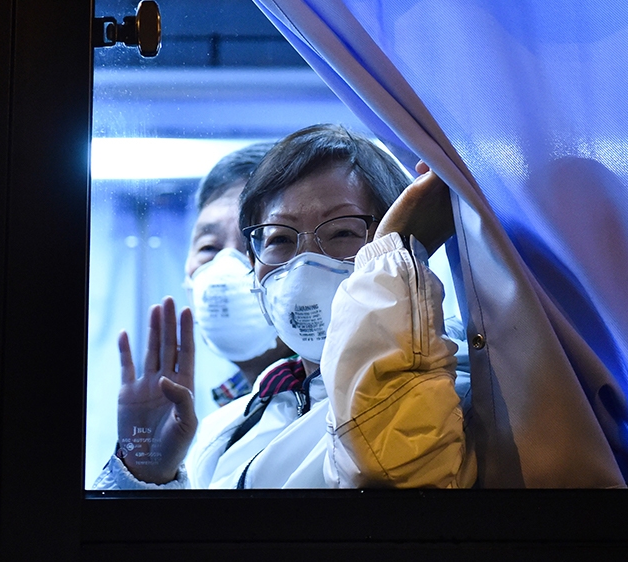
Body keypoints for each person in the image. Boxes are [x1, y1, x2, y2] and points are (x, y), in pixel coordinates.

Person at [96, 124, 476, 489]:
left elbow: (394, 471)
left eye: (342, 232)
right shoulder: (225, 428)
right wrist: (144, 472)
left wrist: (394, 269)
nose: (304, 263)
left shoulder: (450, 392)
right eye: (279, 238)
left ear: (395, 241)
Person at [183, 143, 293, 406]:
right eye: (209, 247)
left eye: (262, 241)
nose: (226, 266)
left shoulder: (340, 405)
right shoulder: (229, 409)